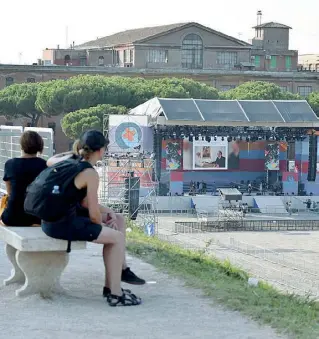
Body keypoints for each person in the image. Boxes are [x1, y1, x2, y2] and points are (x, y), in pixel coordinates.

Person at [42, 130, 141, 306]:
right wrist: (104, 226)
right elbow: (93, 213)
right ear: (101, 150)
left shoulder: (71, 161)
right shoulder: (90, 173)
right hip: (62, 224)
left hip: (52, 220)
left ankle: (111, 286)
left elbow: (86, 203)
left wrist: (109, 213)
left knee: (117, 218)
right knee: (116, 237)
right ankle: (116, 294)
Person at [1, 131, 47, 226]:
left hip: (13, 216)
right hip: (37, 216)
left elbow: (9, 192)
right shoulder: (45, 165)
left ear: (22, 146)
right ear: (39, 146)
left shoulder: (10, 164)